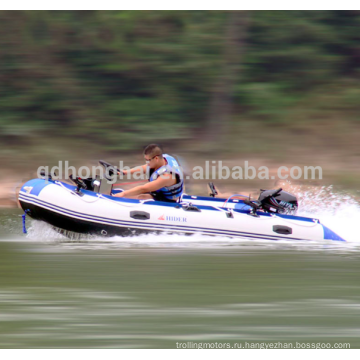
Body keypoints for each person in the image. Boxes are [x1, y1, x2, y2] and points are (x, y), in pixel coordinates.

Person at [112, 144, 183, 202]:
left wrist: (123, 194)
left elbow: (144, 188)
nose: (147, 163)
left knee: (141, 197)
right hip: (160, 191)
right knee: (132, 194)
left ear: (156, 159)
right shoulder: (163, 158)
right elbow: (143, 168)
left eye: (148, 160)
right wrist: (125, 172)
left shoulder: (167, 176)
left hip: (167, 199)